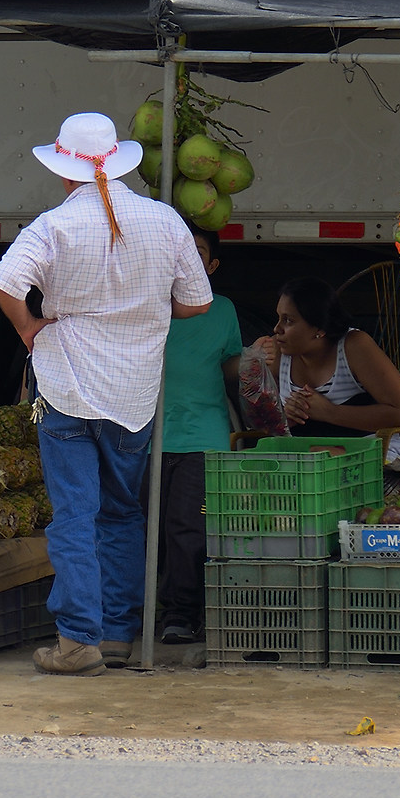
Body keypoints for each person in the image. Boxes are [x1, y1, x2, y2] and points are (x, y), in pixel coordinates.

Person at [0, 111, 211, 677]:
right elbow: (197, 302)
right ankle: (115, 635)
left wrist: (26, 327)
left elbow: (6, 282)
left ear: (66, 172)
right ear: (117, 162)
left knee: (74, 516)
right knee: (120, 514)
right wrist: (147, 310)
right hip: (132, 392)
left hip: (65, 383)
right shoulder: (164, 221)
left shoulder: (53, 225)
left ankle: (77, 641)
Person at [154, 227, 244, 645]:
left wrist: (254, 364)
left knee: (187, 530)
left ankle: (181, 615)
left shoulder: (223, 310)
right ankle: (141, 612)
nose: (184, 260)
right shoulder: (147, 305)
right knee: (142, 529)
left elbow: (230, 370)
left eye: (197, 253)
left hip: (202, 438)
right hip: (144, 437)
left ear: (211, 266)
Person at [253, 275, 400, 470]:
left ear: (320, 328)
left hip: (368, 459)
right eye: (279, 318)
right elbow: (262, 423)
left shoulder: (354, 346)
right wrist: (285, 418)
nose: (277, 328)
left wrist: (329, 412)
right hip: (303, 466)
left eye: (288, 321)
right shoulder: (278, 351)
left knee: (320, 459)